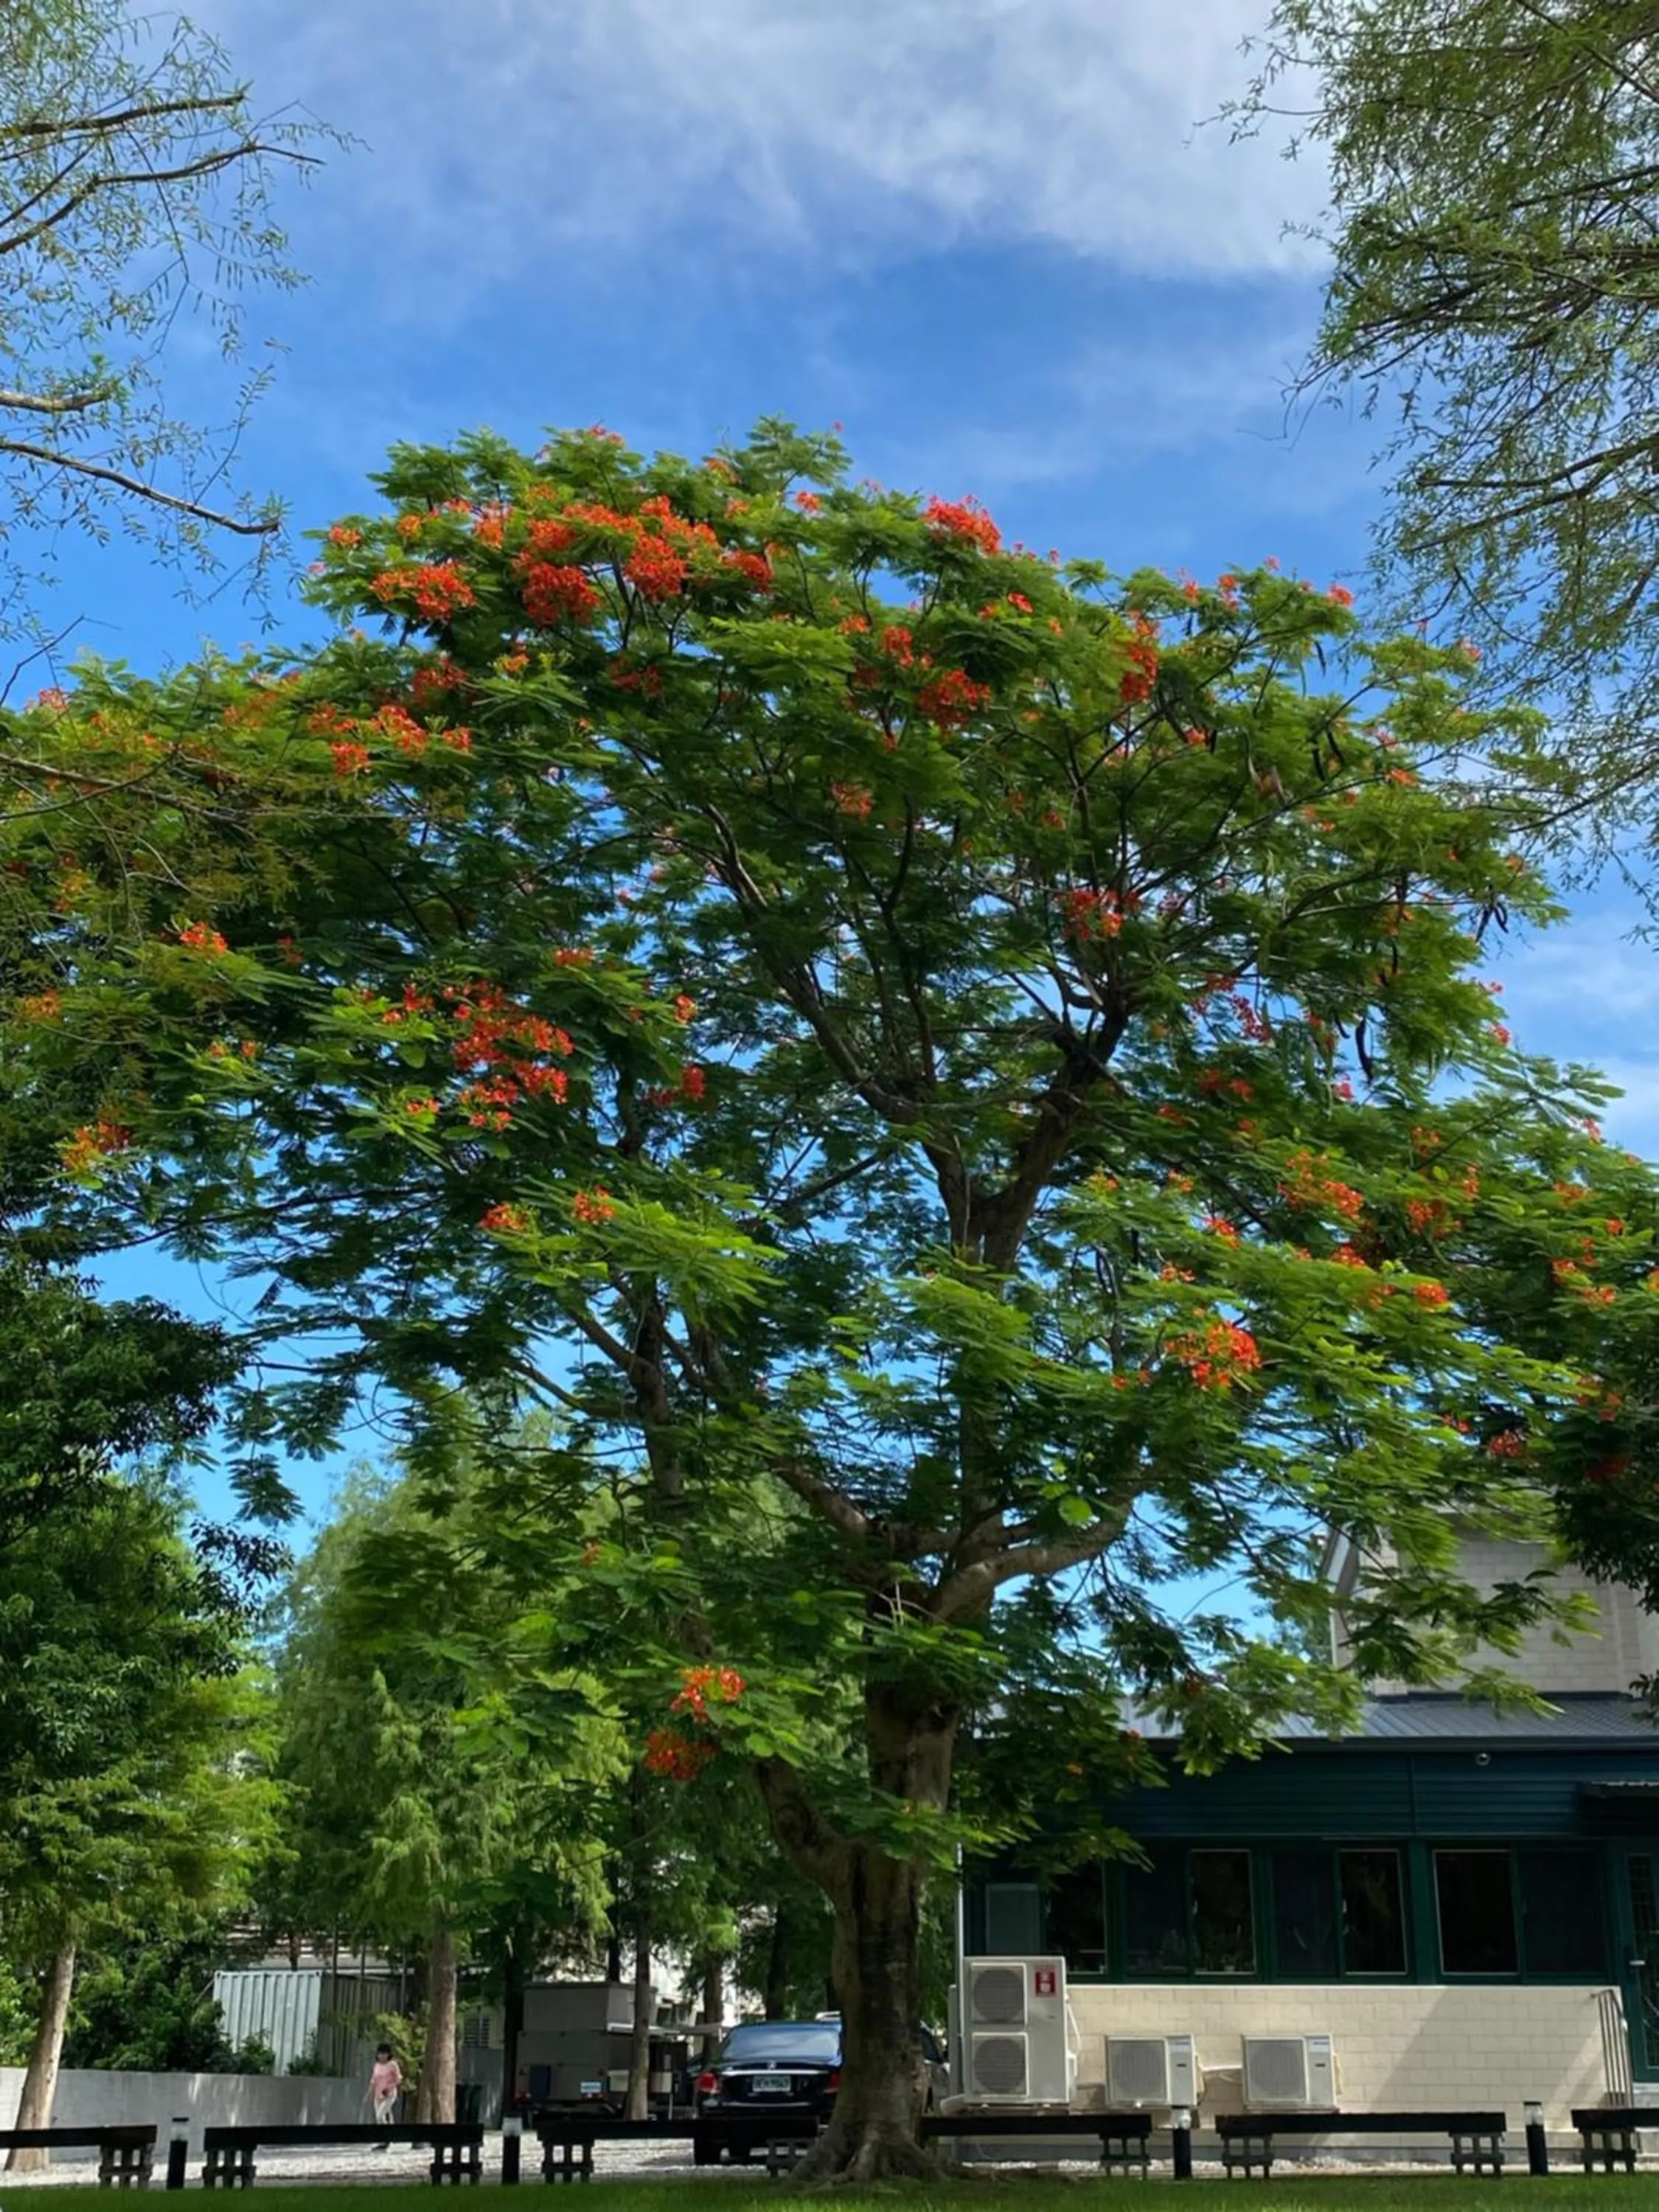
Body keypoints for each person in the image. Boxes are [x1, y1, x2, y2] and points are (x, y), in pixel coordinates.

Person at [369, 2045, 403, 2145]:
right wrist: (369, 2094)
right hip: (378, 2095)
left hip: (389, 2094)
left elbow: (398, 2079)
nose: (382, 2056)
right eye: (380, 2054)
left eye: (384, 2054)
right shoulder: (376, 2066)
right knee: (379, 2118)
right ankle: (383, 2139)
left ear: (389, 2054)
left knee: (380, 2116)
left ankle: (388, 2137)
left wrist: (390, 2087)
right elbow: (373, 2080)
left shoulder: (392, 2065)